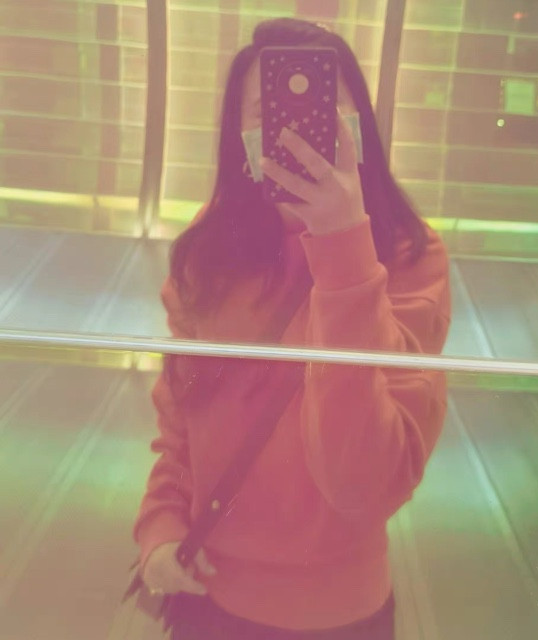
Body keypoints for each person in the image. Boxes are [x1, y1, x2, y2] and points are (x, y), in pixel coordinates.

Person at [133, 17, 451, 640]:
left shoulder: (410, 257)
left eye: (323, 108)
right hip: (207, 589)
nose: (294, 128)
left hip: (343, 612)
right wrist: (161, 523)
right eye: (266, 112)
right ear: (239, 135)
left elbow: (364, 483)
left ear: (359, 126)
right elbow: (182, 411)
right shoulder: (211, 247)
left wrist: (342, 245)